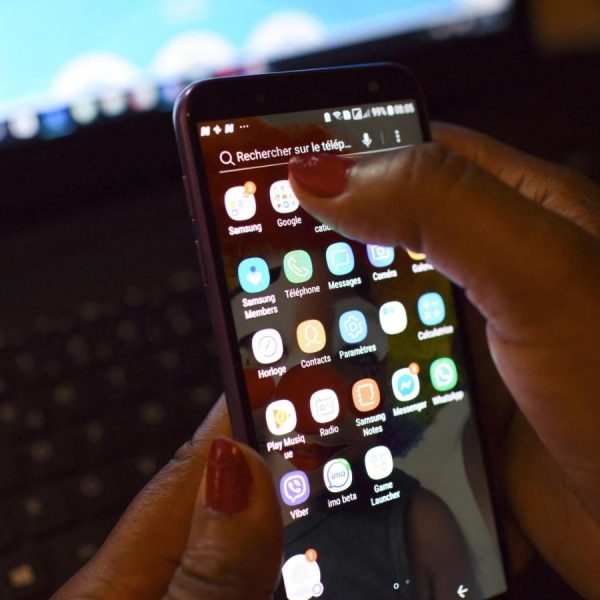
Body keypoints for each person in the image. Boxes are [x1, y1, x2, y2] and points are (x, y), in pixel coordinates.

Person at [52, 123, 600, 600]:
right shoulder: (201, 539)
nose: (317, 397)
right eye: (268, 350)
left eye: (346, 353)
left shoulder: (421, 526)